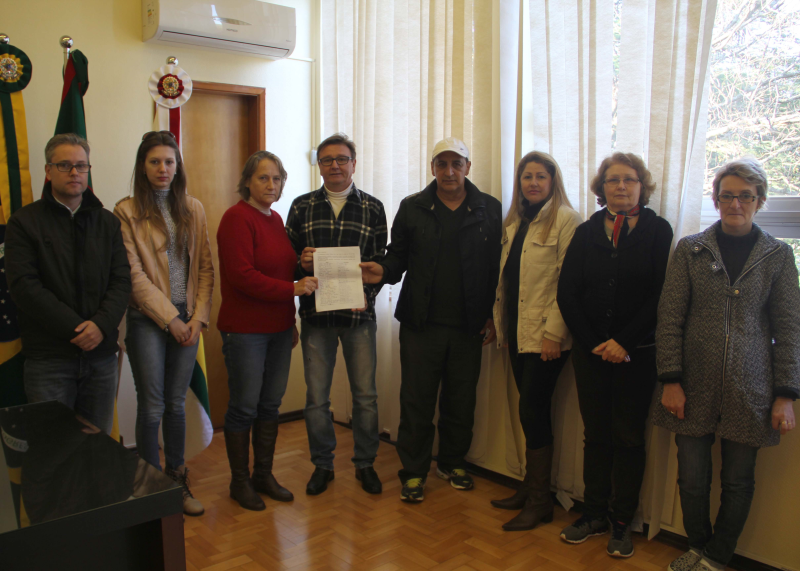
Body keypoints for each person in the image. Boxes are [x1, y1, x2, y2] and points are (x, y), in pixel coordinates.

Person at [654, 158, 799, 571]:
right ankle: (697, 546)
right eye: (727, 195)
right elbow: (670, 318)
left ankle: (717, 558)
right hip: (691, 384)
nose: (736, 203)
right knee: (693, 478)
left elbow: (789, 328)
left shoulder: (777, 256)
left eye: (746, 196)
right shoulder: (692, 250)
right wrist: (670, 379)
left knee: (738, 480)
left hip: (750, 388)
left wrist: (785, 394)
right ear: (716, 200)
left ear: (760, 201)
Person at [361, 137, 502, 503]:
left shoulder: (489, 208)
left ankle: (453, 463)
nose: (449, 171)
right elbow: (398, 257)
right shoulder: (413, 207)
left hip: (469, 326)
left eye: (457, 164)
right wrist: (383, 270)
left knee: (461, 400)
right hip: (420, 324)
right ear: (433, 168)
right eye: (442, 164)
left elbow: (493, 269)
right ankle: (414, 472)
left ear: (468, 168)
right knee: (417, 401)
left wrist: (491, 315)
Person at [556, 153, 673, 557]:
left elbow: (661, 294)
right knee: (595, 436)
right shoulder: (588, 230)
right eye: (612, 181)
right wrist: (593, 343)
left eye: (629, 180)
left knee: (627, 438)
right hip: (591, 354)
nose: (620, 187)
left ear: (643, 185)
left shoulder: (659, 230)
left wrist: (623, 340)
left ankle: (622, 522)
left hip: (636, 355)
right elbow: (567, 292)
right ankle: (593, 513)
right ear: (601, 188)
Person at [113, 131, 214, 517]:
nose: (163, 168)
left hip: (188, 323)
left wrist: (198, 317)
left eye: (169, 162)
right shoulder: (126, 211)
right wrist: (169, 318)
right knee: (152, 405)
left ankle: (177, 479)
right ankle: (149, 485)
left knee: (175, 404)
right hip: (147, 322)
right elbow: (133, 276)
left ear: (178, 166)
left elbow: (205, 268)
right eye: (155, 161)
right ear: (143, 165)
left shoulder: (193, 208)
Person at [5, 133, 131, 435]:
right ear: (48, 171)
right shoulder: (24, 222)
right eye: (65, 165)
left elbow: (121, 280)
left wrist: (99, 326)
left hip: (100, 357)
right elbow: (25, 287)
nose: (75, 172)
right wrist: (78, 329)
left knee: (96, 449)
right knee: (52, 455)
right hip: (49, 359)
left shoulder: (108, 222)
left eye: (81, 166)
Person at [285, 133, 387, 496]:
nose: (334, 165)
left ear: (353, 164)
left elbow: (379, 264)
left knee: (365, 397)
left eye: (341, 159)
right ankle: (322, 465)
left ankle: (366, 464)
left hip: (359, 318)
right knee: (316, 399)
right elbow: (285, 261)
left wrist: (368, 293)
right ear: (319, 165)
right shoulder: (300, 206)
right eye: (327, 159)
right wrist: (301, 261)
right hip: (317, 318)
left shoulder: (373, 208)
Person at [217, 151, 318, 511]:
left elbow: (281, 271)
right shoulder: (235, 218)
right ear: (247, 181)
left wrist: (301, 266)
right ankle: (239, 482)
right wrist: (293, 289)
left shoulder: (275, 219)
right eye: (263, 178)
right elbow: (243, 277)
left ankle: (264, 474)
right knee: (244, 407)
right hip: (245, 331)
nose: (271, 185)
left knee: (270, 405)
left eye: (276, 179)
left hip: (277, 328)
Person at [490, 151, 582, 530]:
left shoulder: (566, 220)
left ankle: (541, 501)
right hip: (516, 332)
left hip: (547, 337)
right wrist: (499, 325)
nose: (532, 183)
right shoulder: (515, 222)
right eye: (527, 177)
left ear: (553, 181)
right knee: (530, 411)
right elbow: (508, 284)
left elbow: (568, 282)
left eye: (540, 177)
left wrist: (554, 335)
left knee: (533, 410)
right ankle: (531, 489)